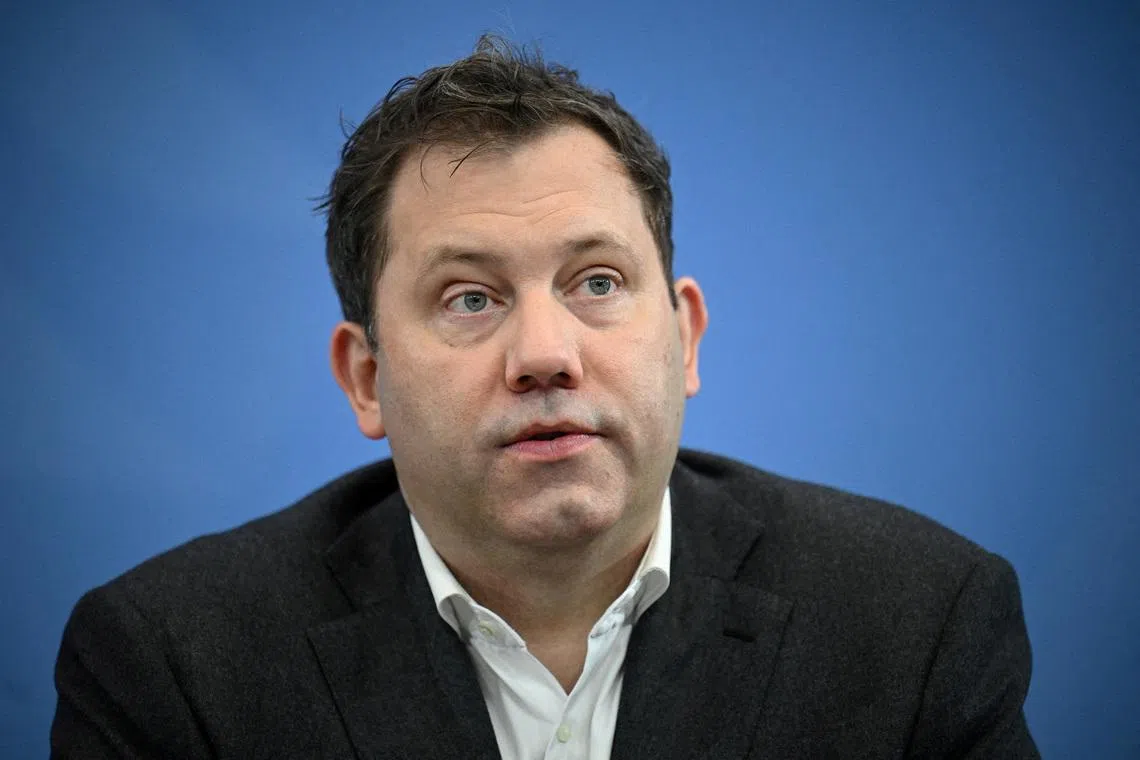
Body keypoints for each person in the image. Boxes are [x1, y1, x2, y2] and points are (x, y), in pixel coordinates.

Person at [51, 36, 1038, 759]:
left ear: (685, 335)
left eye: (597, 282)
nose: (546, 354)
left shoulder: (918, 622)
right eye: (470, 298)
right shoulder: (171, 664)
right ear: (367, 376)